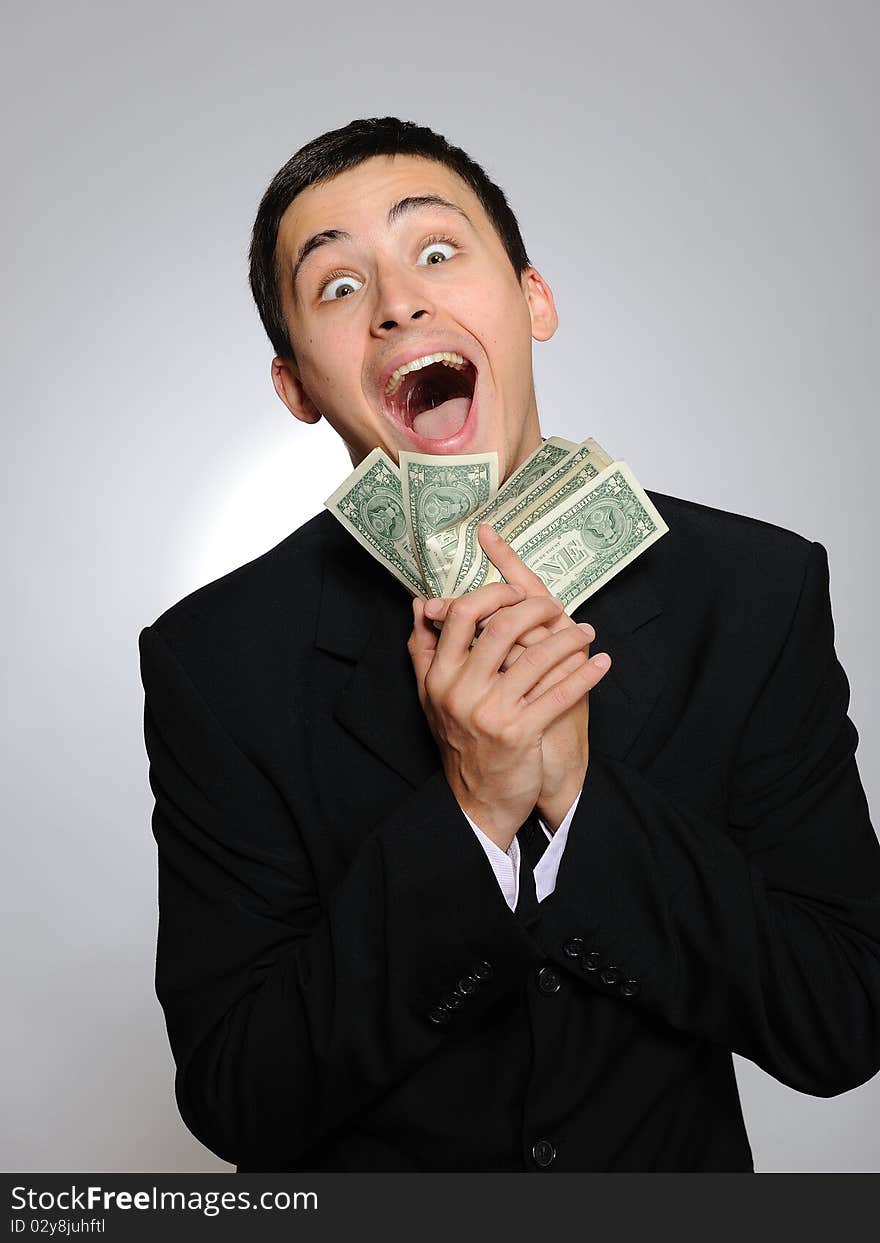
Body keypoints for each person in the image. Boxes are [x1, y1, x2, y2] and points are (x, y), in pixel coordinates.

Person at [138, 116, 880, 1173]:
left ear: (533, 301)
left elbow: (842, 1014)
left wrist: (580, 795)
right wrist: (472, 812)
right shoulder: (217, 661)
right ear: (296, 386)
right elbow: (240, 1097)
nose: (399, 301)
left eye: (436, 253)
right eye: (339, 287)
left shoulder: (751, 593)